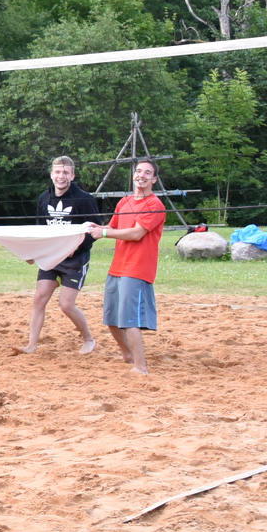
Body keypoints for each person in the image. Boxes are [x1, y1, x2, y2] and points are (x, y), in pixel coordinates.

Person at [89, 159, 167, 376]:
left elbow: (136, 233)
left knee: (129, 320)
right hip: (117, 267)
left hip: (137, 268)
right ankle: (127, 355)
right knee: (112, 318)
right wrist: (96, 227)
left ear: (154, 179)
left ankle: (141, 367)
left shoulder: (155, 205)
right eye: (138, 171)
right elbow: (113, 227)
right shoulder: (124, 202)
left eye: (147, 173)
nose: (141, 175)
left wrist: (104, 233)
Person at [23, 156, 100, 355]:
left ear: (72, 175)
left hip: (75, 260)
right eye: (57, 172)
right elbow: (40, 230)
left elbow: (95, 231)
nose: (61, 176)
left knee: (66, 304)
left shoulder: (83, 199)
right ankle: (31, 345)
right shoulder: (44, 198)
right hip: (52, 258)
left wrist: (76, 246)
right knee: (39, 298)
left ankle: (88, 339)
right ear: (51, 174)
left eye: (65, 172)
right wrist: (33, 252)